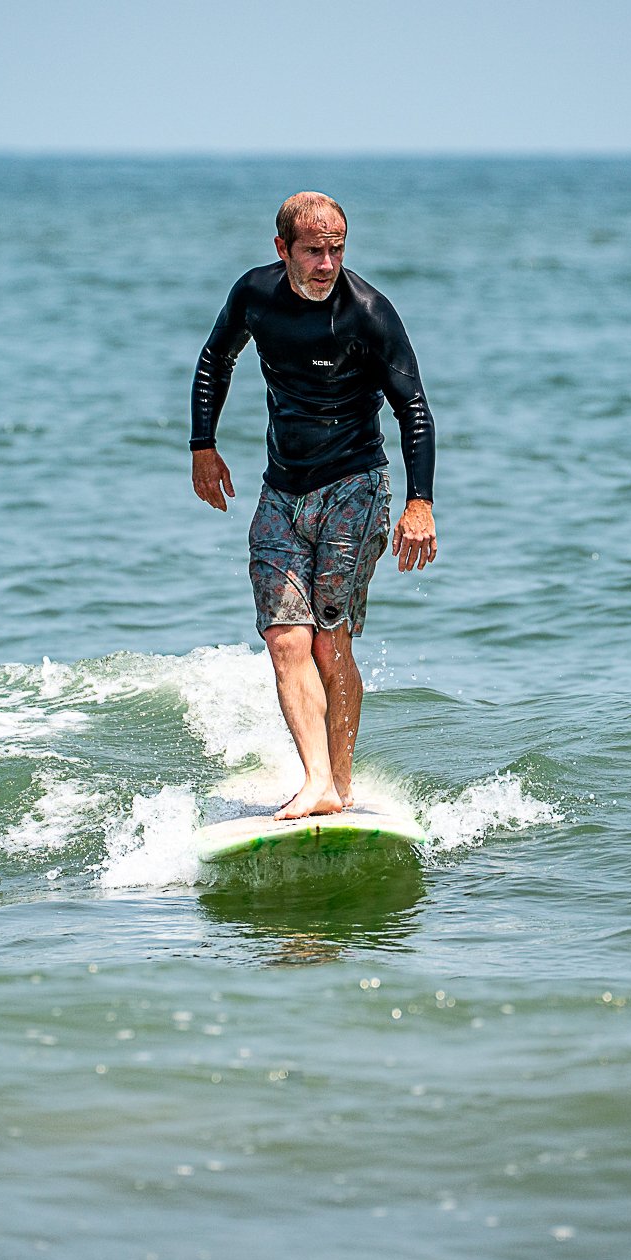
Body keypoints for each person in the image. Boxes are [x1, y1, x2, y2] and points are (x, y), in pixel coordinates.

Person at [189, 192, 437, 821]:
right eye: (314, 251)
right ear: (283, 250)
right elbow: (217, 358)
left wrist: (419, 502)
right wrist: (202, 445)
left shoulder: (369, 314)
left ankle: (339, 784)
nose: (327, 263)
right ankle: (317, 779)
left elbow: (413, 408)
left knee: (330, 643)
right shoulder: (255, 295)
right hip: (281, 490)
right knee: (283, 639)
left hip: (355, 487)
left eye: (337, 250)